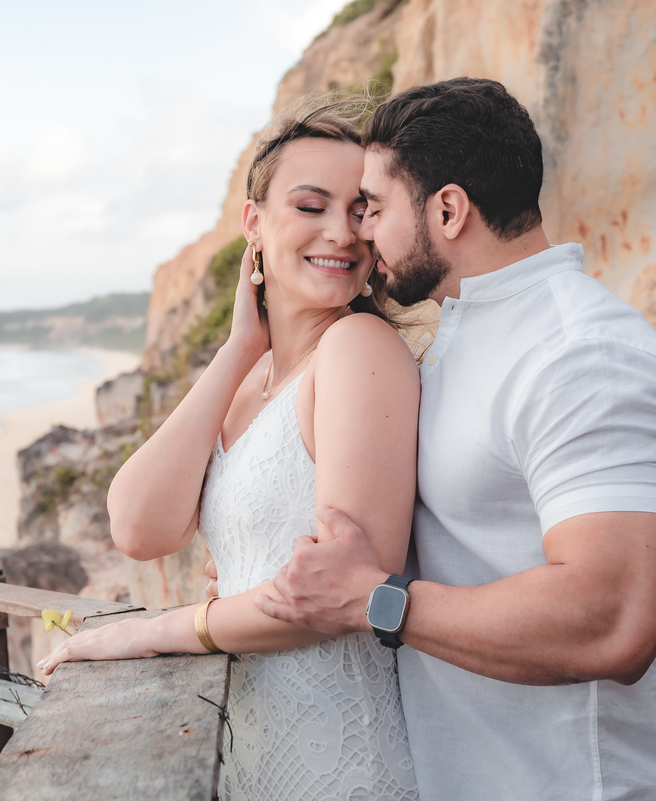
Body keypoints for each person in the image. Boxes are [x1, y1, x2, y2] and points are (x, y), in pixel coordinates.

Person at [254, 78, 656, 800]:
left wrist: (376, 599)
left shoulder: (584, 357)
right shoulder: (465, 338)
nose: (361, 230)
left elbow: (614, 617)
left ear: (448, 209)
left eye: (374, 206)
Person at [39, 100, 421, 800]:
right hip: (253, 750)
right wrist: (239, 345)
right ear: (254, 224)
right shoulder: (255, 374)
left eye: (360, 209)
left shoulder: (360, 349)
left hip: (338, 757)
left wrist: (155, 631)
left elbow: (342, 594)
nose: (342, 231)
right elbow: (138, 526)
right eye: (312, 205)